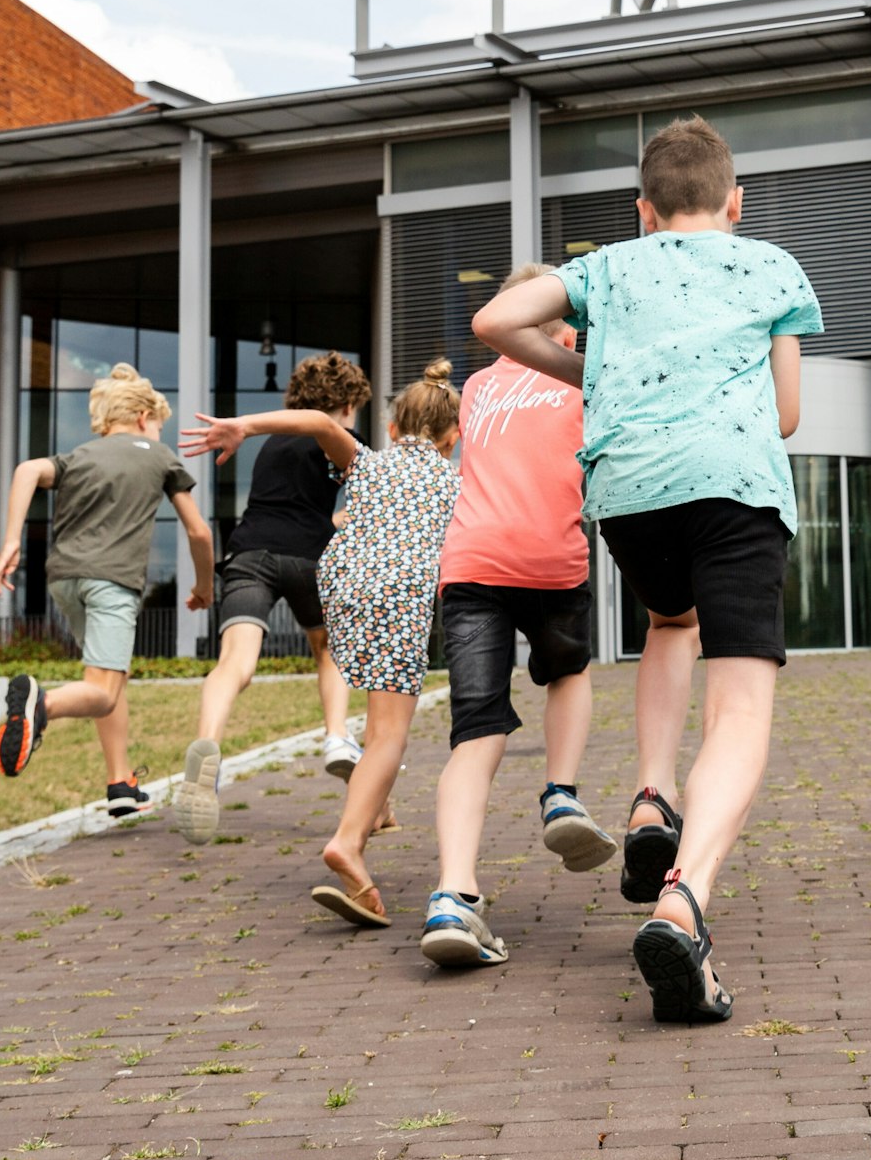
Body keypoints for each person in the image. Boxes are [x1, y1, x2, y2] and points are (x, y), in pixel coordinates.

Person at [474, 115, 821, 1025]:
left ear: (644, 208)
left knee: (671, 623)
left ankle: (648, 795)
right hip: (735, 489)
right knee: (741, 707)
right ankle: (684, 899)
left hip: (631, 497)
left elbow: (494, 318)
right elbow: (786, 414)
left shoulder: (608, 267)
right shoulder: (771, 265)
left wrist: (582, 374)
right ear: (735, 202)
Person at [182, 360, 462, 928]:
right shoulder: (457, 482)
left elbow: (313, 420)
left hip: (342, 586)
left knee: (356, 693)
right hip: (394, 597)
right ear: (455, 437)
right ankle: (347, 835)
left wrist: (243, 425)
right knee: (387, 732)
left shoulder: (366, 461)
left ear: (389, 428)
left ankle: (362, 788)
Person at [420, 263, 618, 969]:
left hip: (470, 563)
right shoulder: (581, 376)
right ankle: (561, 796)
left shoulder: (478, 386)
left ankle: (452, 895)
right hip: (550, 559)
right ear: (558, 320)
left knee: (475, 734)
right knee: (566, 672)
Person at [0, 363, 214, 808]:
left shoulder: (81, 456)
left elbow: (27, 470)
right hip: (112, 582)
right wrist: (205, 585)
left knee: (111, 676)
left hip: (65, 580)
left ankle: (120, 784)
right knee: (103, 691)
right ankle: (40, 705)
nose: (158, 433)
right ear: (143, 418)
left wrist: (12, 538)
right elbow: (199, 533)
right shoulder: (158, 455)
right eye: (158, 426)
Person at [176, 351, 376, 845]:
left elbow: (290, 507)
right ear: (347, 403)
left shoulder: (274, 446)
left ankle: (208, 746)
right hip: (309, 559)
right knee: (328, 648)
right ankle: (336, 736)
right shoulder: (338, 438)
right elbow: (354, 509)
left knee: (234, 664)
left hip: (250, 553)